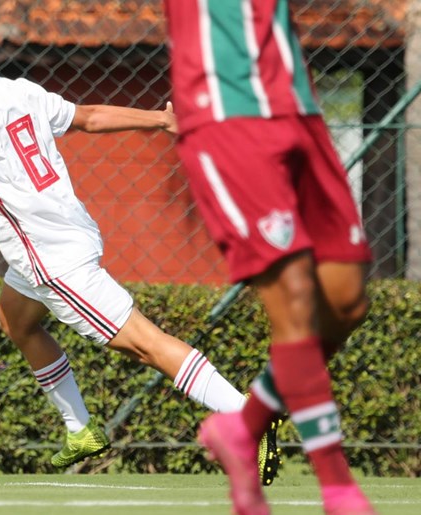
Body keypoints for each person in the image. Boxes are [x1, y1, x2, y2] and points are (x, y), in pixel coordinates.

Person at [0, 15, 280, 481]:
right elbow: (89, 118)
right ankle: (80, 430)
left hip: (50, 260)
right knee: (16, 318)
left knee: (145, 345)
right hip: (62, 239)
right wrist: (159, 118)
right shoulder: (20, 91)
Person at [162, 1, 375, 514]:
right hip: (224, 115)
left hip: (297, 109)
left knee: (346, 304)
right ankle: (338, 487)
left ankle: (243, 427)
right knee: (295, 296)